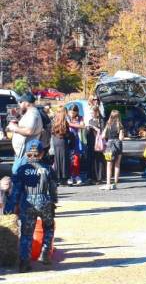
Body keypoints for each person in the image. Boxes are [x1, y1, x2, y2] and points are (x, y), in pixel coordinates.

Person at [4, 140, 57, 272]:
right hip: (45, 201)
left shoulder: (21, 170)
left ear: (27, 153)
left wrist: (9, 207)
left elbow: (16, 191)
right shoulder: (48, 169)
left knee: (26, 234)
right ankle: (45, 252)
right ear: (42, 153)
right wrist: (53, 202)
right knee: (49, 228)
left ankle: (24, 262)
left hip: (27, 204)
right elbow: (53, 189)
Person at [6, 92, 43, 174]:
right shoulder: (29, 113)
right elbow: (26, 125)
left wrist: (14, 128)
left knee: (18, 174)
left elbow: (29, 131)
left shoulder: (33, 114)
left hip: (26, 153)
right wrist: (17, 116)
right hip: (22, 152)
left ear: (26, 102)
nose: (19, 104)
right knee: (18, 174)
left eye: (20, 102)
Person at [100, 110, 124, 190]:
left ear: (111, 116)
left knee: (109, 165)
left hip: (109, 145)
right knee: (117, 165)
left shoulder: (108, 124)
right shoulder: (120, 126)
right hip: (118, 145)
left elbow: (103, 136)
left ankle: (108, 183)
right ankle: (115, 184)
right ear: (118, 116)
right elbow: (121, 138)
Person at [50, 108, 71, 186]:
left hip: (55, 141)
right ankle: (64, 179)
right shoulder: (64, 122)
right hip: (62, 141)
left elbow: (52, 131)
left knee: (57, 159)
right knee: (64, 159)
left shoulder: (54, 121)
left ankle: (57, 178)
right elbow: (67, 133)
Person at [85, 105, 105, 184]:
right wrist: (87, 129)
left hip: (98, 143)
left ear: (97, 112)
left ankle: (99, 178)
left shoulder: (101, 120)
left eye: (92, 112)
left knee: (98, 160)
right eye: (91, 113)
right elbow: (87, 133)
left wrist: (95, 128)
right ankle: (91, 177)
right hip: (91, 142)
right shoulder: (90, 120)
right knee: (91, 160)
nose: (91, 114)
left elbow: (103, 131)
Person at [66, 105, 85, 186]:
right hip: (68, 140)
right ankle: (69, 176)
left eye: (74, 111)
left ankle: (76, 175)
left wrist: (70, 124)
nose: (72, 113)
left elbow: (82, 126)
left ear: (77, 112)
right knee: (69, 159)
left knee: (76, 159)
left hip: (76, 140)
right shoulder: (66, 117)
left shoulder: (80, 118)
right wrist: (71, 124)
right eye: (71, 111)